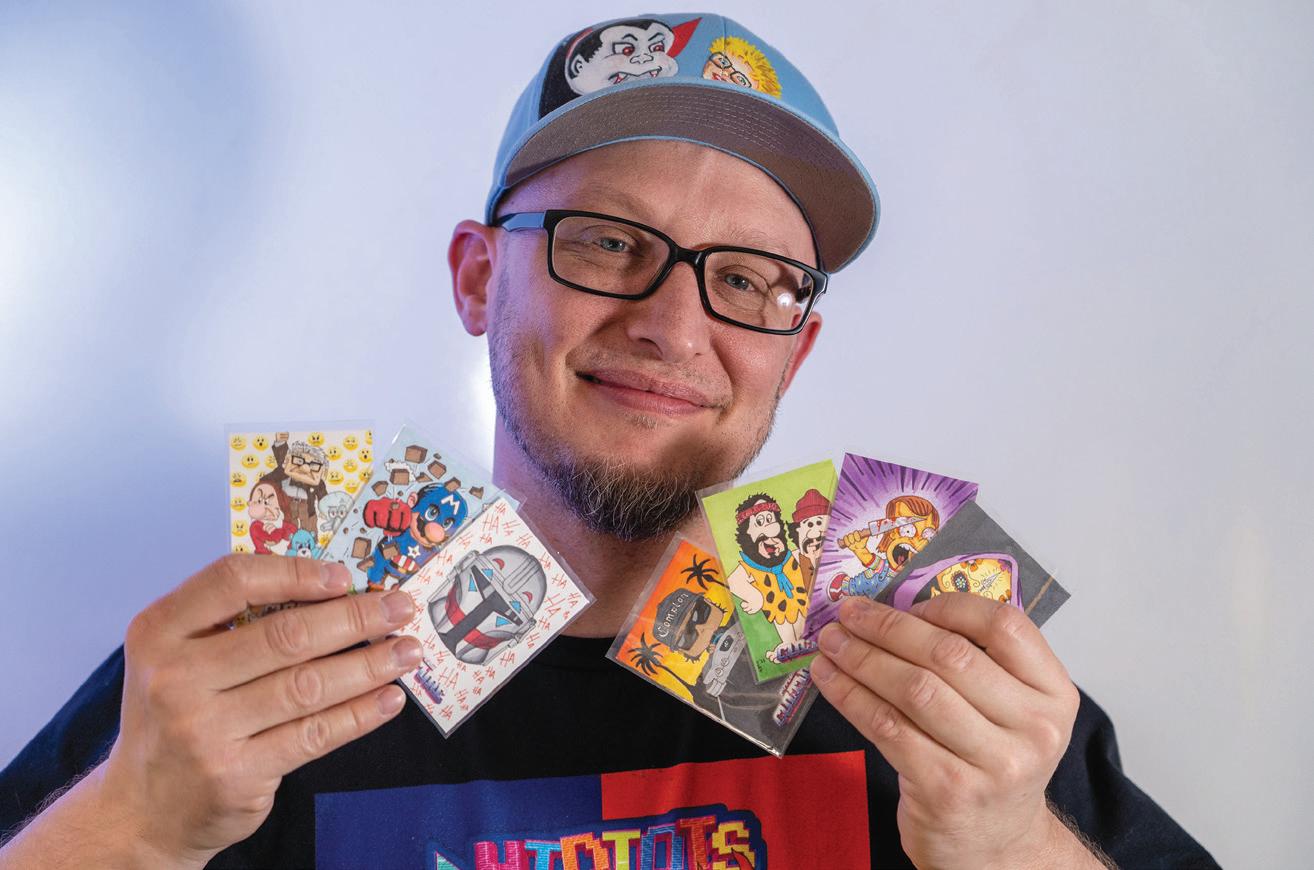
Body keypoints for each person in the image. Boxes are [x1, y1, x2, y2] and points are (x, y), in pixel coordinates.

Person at [0, 12, 1216, 869]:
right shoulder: (260, 662)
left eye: (747, 278)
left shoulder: (935, 672)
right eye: (607, 242)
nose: (673, 325)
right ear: (479, 280)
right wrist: (132, 830)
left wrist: (1010, 847)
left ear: (795, 351)